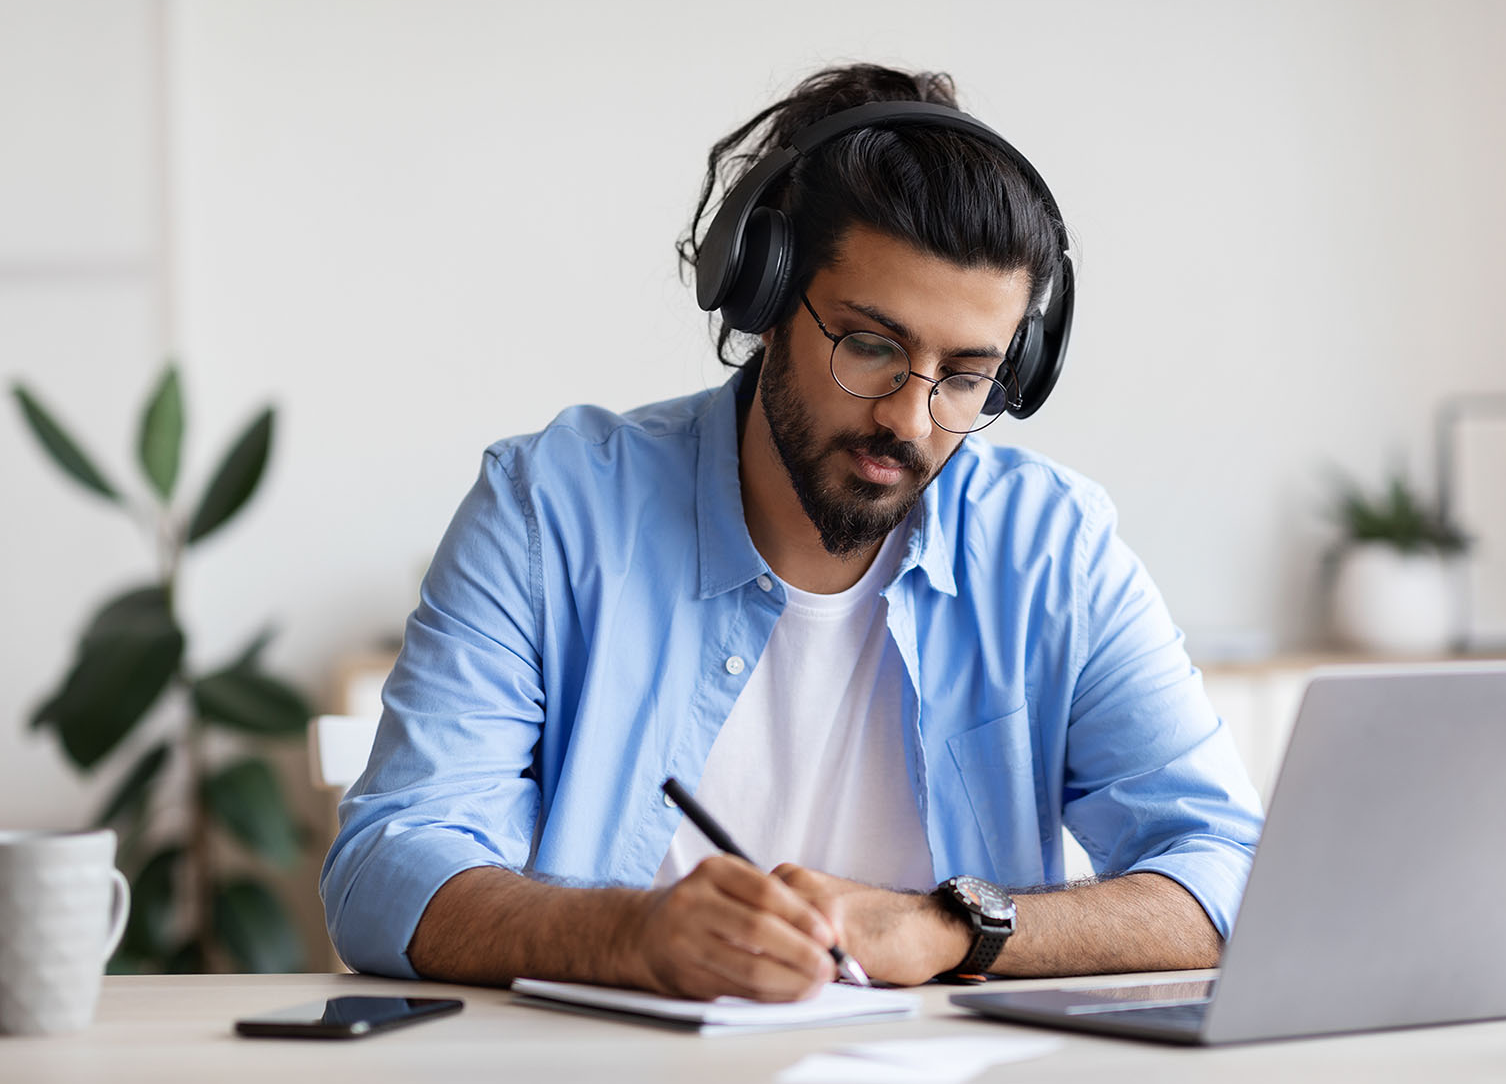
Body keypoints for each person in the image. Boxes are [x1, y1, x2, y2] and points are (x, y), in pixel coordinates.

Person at [321, 64, 1263, 1001]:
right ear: (763, 298)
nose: (912, 417)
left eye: (966, 376)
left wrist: (947, 925)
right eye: (870, 345)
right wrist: (631, 935)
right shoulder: (550, 510)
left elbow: (1227, 868)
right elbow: (386, 868)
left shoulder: (1053, 549)